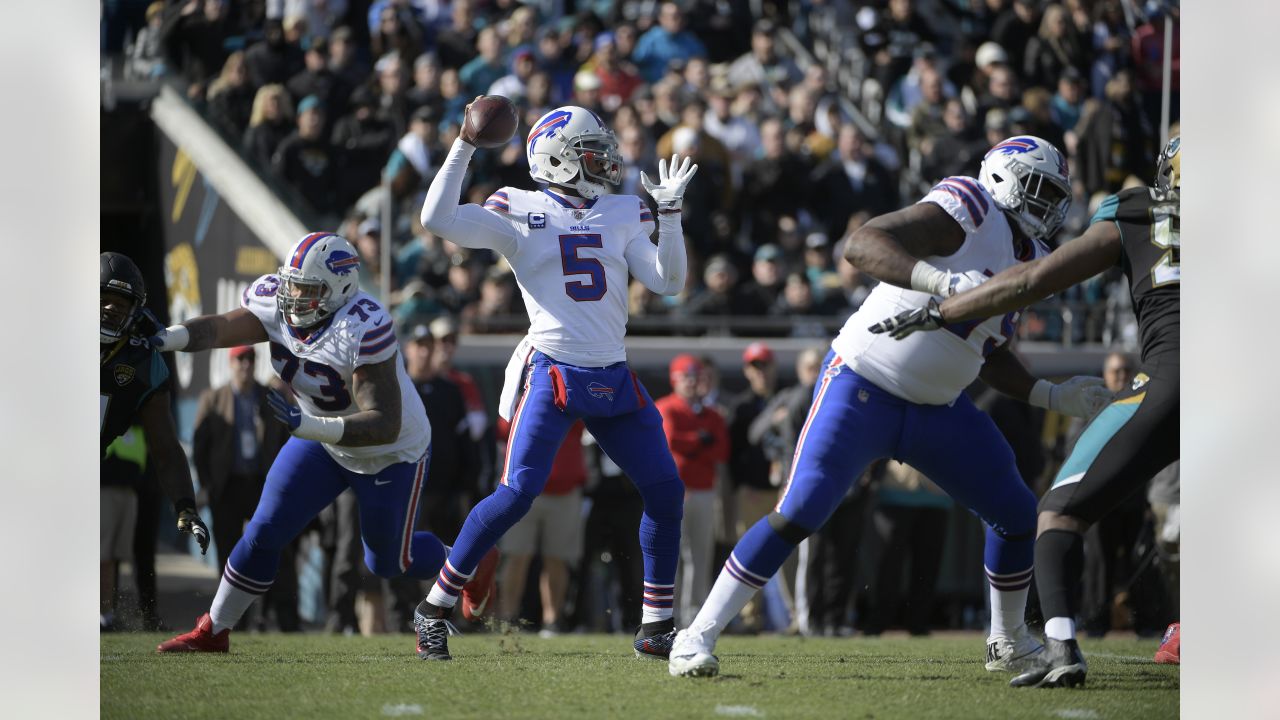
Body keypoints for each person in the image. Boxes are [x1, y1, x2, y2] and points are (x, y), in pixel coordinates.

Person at [669, 135, 1111, 678]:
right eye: (1040, 189)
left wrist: (1051, 394)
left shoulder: (1037, 257)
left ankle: (1009, 641)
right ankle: (697, 635)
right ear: (1003, 176)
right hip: (864, 384)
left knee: (1017, 514)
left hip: (939, 408)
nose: (1049, 205)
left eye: (1057, 195)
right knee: (801, 509)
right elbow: (862, 244)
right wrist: (941, 280)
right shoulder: (970, 207)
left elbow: (988, 346)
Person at [870, 136, 1180, 688]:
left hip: (1176, 374)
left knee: (1058, 514)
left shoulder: (1138, 207)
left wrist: (944, 310)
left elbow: (1034, 280)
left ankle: (1061, 646)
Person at [416, 100, 698, 661]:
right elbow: (436, 219)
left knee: (666, 491)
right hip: (550, 368)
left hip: (610, 369)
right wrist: (466, 145)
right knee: (517, 494)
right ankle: (433, 609)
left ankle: (657, 627)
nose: (607, 161)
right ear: (559, 161)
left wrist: (669, 218)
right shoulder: (519, 209)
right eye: (593, 153)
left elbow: (668, 282)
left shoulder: (621, 211)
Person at [151, 232, 491, 653]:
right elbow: (220, 328)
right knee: (263, 530)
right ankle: (214, 629)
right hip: (322, 439)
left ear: (340, 290)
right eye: (292, 284)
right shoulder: (276, 301)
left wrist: (309, 426)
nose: (293, 297)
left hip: (389, 452)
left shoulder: (362, 326)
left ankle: (465, 563)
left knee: (387, 562)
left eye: (308, 290)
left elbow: (383, 422)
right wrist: (167, 338)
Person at [100, 253, 210, 567]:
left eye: (121, 305)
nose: (110, 310)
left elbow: (164, 445)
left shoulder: (144, 363)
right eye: (104, 299)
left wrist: (185, 505)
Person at [192, 345, 297, 631]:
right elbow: (199, 449)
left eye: (251, 359)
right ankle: (230, 622)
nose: (246, 365)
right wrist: (209, 485)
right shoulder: (214, 399)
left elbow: (288, 441)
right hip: (227, 488)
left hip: (261, 486)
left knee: (272, 550)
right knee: (228, 555)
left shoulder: (269, 397)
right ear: (231, 363)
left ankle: (275, 617)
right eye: (240, 359)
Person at [655, 354, 729, 624]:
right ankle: (667, 615)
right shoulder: (667, 407)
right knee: (673, 555)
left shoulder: (712, 414)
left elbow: (720, 450)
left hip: (704, 489)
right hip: (676, 491)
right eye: (686, 377)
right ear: (674, 379)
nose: (692, 382)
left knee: (701, 555)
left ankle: (695, 615)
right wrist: (699, 439)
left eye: (695, 377)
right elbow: (672, 441)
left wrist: (695, 445)